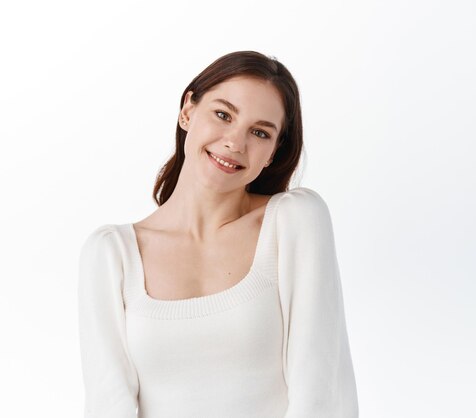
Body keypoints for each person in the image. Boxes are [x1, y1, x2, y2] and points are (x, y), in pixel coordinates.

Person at [77, 50, 359, 418]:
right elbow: (107, 405)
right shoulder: (111, 254)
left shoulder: (293, 221)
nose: (235, 142)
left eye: (260, 132)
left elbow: (319, 390)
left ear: (273, 152)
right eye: (223, 114)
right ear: (187, 111)